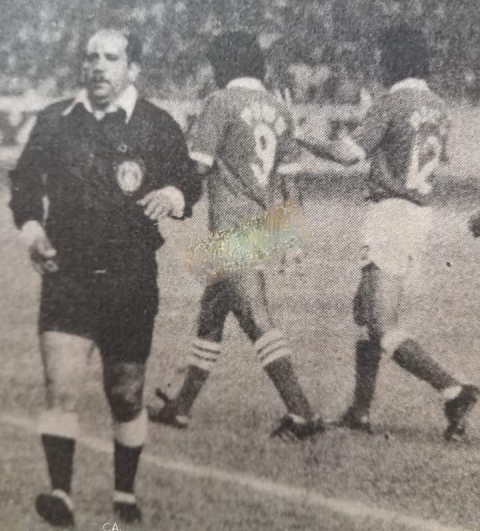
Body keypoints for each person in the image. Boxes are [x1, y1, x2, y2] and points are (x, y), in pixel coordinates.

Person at [9, 28, 201, 526]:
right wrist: (32, 230)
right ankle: (61, 495)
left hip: (129, 280)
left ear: (131, 68)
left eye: (110, 58)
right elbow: (24, 183)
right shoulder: (56, 120)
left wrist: (174, 197)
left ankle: (124, 496)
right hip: (67, 274)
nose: (97, 66)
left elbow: (188, 178)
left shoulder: (156, 124)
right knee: (62, 388)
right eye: (91, 56)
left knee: (126, 395)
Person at [300, 25, 479, 441]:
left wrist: (301, 138)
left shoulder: (393, 101)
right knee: (363, 313)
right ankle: (360, 411)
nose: (379, 64)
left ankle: (453, 390)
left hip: (392, 214)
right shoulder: (437, 106)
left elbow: (348, 155)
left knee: (381, 324)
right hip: (417, 213)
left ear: (393, 60)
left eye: (383, 57)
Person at [148, 31, 324, 441]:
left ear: (222, 65)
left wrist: (164, 188)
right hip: (261, 226)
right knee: (211, 317)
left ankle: (302, 412)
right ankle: (181, 406)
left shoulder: (221, 101)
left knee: (256, 318)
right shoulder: (279, 108)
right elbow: (291, 183)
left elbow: (198, 166)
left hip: (231, 229)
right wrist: (291, 239)